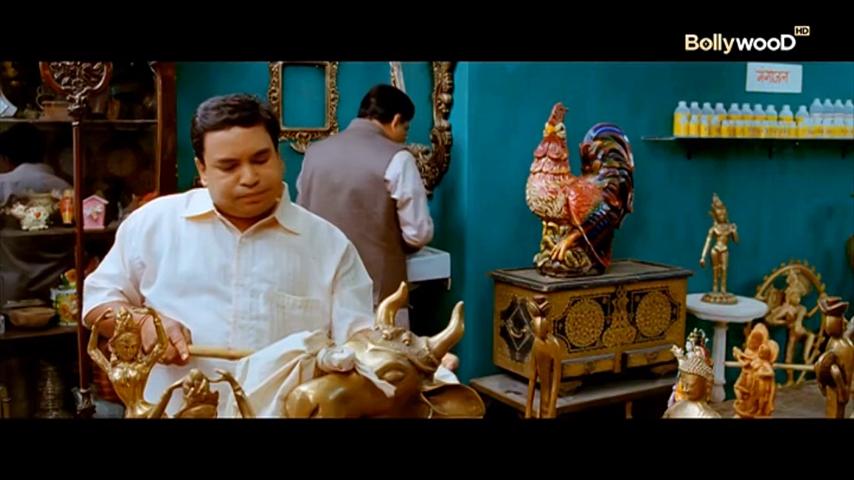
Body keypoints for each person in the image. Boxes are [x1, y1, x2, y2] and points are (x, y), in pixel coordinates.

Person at [82, 94, 377, 416]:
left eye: (260, 160)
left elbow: (360, 348)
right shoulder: (154, 224)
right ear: (202, 169)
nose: (249, 178)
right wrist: (143, 324)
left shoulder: (329, 245)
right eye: (229, 166)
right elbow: (97, 302)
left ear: (279, 158)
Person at [297, 84, 434, 330]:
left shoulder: (314, 153)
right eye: (405, 128)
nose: (405, 136)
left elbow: (301, 211)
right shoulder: (398, 158)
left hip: (317, 289)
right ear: (396, 120)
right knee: (383, 354)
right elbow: (418, 233)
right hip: (376, 296)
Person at [0, 123, 73, 306]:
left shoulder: (3, 185)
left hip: (10, 289)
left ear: (5, 158)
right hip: (57, 289)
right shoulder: (64, 188)